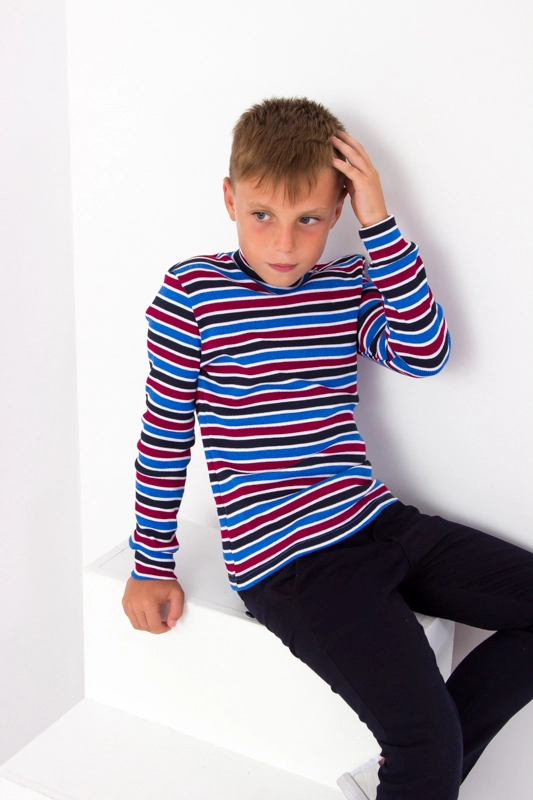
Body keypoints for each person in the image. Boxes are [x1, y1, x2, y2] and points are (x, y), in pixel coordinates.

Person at [121, 97, 533, 800]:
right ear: (230, 199)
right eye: (262, 215)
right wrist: (150, 563)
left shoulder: (346, 287)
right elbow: (163, 435)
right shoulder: (192, 294)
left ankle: (404, 776)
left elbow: (425, 353)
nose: (284, 243)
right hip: (289, 561)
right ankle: (417, 768)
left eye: (308, 219)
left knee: (434, 738)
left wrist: (380, 222)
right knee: (424, 740)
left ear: (338, 208)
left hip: (377, 521)